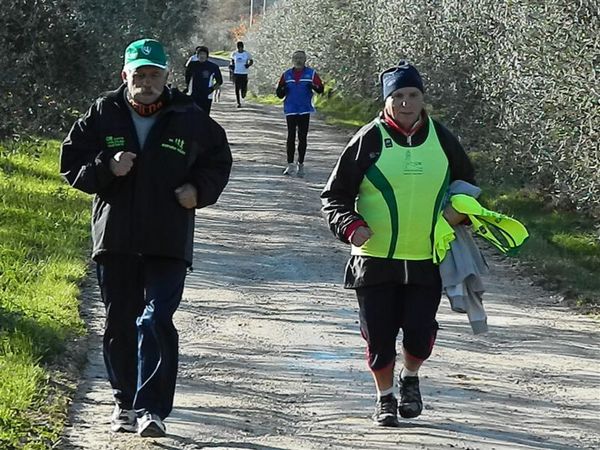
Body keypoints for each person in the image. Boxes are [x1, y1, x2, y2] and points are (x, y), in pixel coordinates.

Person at [60, 38, 232, 438]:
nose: (147, 82)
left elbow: (219, 160)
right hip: (116, 239)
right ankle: (124, 403)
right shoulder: (104, 113)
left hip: (168, 240)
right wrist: (106, 166)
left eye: (155, 74)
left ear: (167, 76)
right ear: (125, 76)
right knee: (120, 322)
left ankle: (151, 409)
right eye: (140, 75)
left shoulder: (188, 115)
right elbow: (71, 165)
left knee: (156, 319)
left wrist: (200, 191)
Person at [320, 61, 475, 427]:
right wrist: (350, 225)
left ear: (423, 98)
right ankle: (384, 398)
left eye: (413, 95)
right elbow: (335, 196)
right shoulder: (368, 140)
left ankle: (411, 376)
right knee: (379, 336)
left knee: (420, 334)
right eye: (398, 96)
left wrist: (460, 213)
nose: (406, 103)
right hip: (374, 260)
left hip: (426, 258)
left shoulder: (442, 139)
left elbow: (467, 185)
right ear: (387, 100)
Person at [275, 50, 324, 177]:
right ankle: (290, 165)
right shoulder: (286, 74)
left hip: (304, 109)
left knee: (302, 137)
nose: (298, 60)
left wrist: (314, 87)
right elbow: (279, 93)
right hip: (290, 109)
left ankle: (300, 165)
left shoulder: (311, 73)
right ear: (292, 59)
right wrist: (282, 90)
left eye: (301, 58)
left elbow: (320, 89)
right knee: (291, 136)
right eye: (296, 58)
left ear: (305, 59)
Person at [185, 45, 223, 115]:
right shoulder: (192, 65)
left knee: (205, 116)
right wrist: (187, 88)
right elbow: (187, 77)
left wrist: (211, 89)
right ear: (197, 55)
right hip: (194, 95)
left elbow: (219, 81)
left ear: (207, 56)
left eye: (204, 54)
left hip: (207, 96)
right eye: (200, 54)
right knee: (193, 116)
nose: (202, 56)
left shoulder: (213, 67)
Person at [229, 41, 253, 108]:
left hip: (244, 73)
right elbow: (231, 61)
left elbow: (251, 60)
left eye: (241, 47)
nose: (240, 49)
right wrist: (231, 66)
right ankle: (238, 102)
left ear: (243, 47)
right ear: (237, 47)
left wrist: (248, 65)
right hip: (236, 73)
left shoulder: (246, 54)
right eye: (239, 47)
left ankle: (244, 92)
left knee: (244, 86)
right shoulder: (234, 54)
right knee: (236, 88)